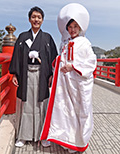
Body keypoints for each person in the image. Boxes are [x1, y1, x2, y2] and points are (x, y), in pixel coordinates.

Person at [40, 3, 97, 153]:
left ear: (80, 28)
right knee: (65, 111)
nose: (72, 30)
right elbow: (60, 60)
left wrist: (74, 67)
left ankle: (79, 140)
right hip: (65, 84)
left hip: (78, 84)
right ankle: (66, 139)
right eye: (70, 27)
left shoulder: (84, 43)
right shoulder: (64, 43)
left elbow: (91, 62)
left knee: (80, 111)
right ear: (66, 29)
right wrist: (57, 63)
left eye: (75, 27)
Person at [9, 6, 58, 148]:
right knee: (26, 105)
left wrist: (51, 75)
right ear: (29, 19)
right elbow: (17, 57)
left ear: (42, 20)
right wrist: (14, 74)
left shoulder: (47, 38)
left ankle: (42, 136)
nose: (36, 20)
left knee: (41, 105)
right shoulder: (23, 37)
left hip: (42, 76)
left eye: (39, 17)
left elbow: (53, 59)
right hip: (25, 75)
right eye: (33, 17)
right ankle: (23, 136)